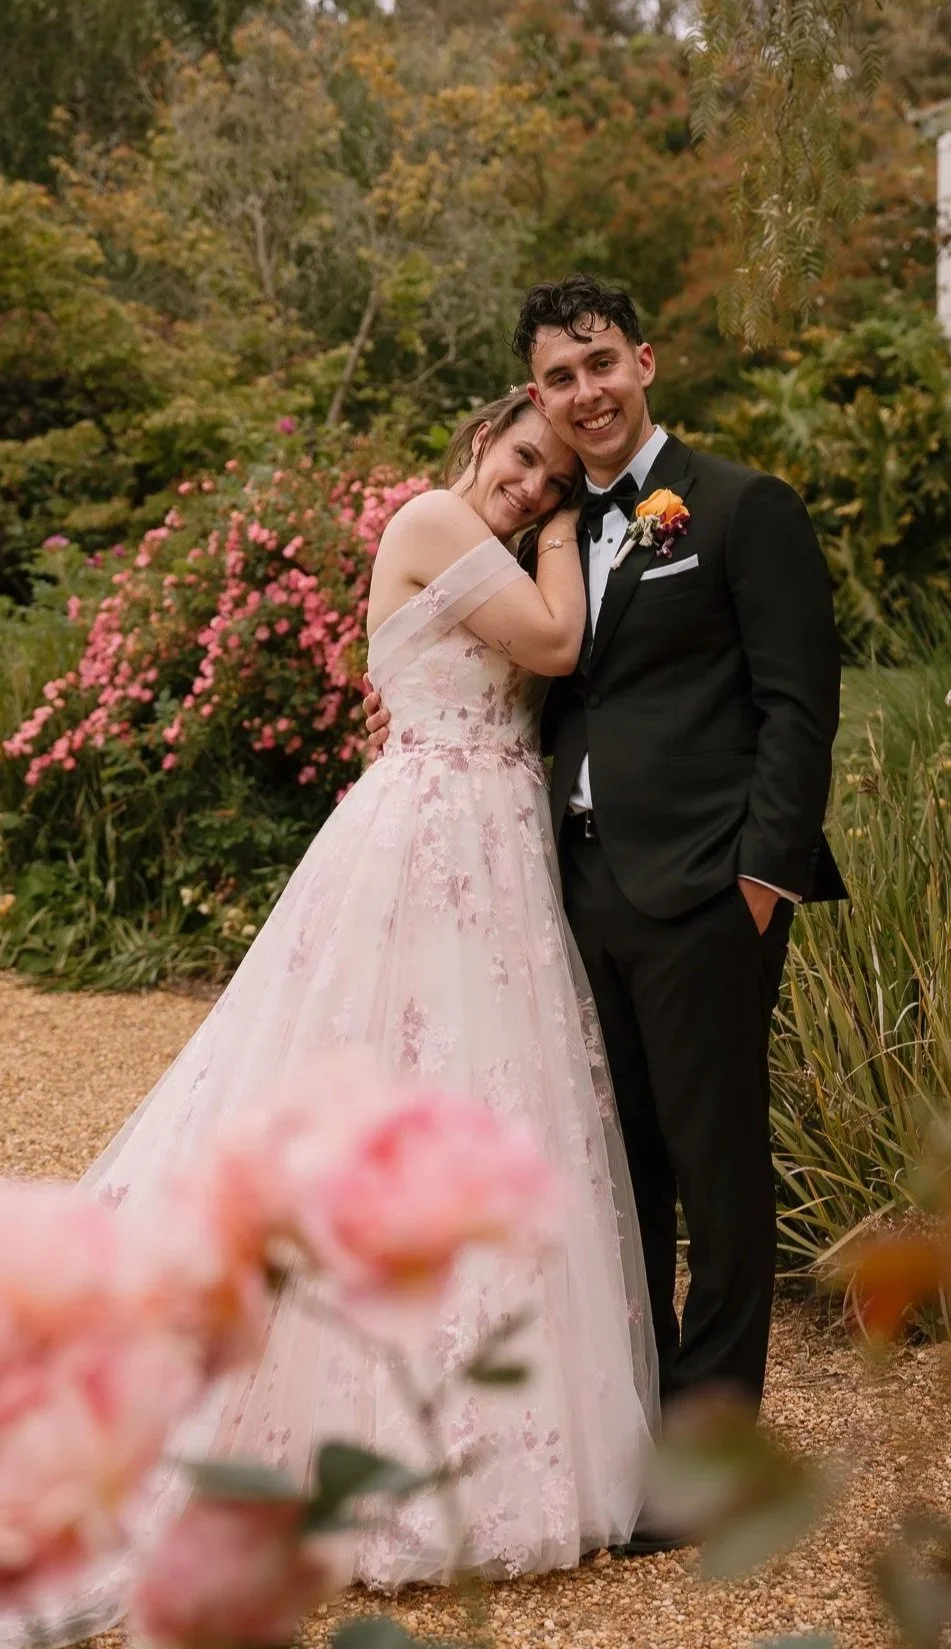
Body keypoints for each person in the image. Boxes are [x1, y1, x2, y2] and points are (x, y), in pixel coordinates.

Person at [16, 388, 657, 1647]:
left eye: (546, 482)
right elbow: (549, 645)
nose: (531, 486)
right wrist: (560, 529)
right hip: (425, 843)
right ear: (481, 440)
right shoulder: (430, 515)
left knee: (496, 1099)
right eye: (524, 461)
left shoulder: (463, 529)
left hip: (500, 847)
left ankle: (481, 1441)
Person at [365, 276, 846, 1551]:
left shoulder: (742, 508)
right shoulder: (543, 524)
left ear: (645, 359)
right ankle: (622, 1437)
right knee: (613, 1176)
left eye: (600, 364)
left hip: (704, 892)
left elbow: (799, 706)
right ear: (534, 397)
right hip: (565, 895)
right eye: (559, 377)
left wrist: (763, 876)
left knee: (719, 1174)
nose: (585, 392)